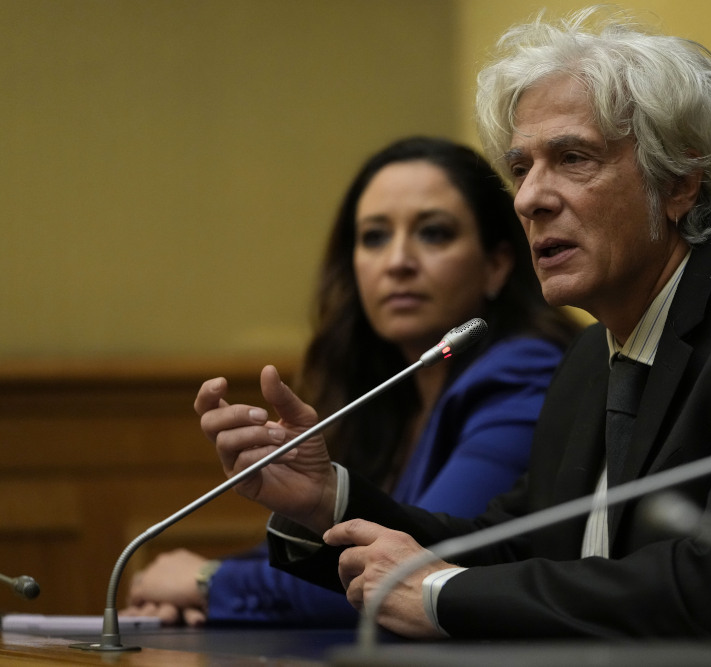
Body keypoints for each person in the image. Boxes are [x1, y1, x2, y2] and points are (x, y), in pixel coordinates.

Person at [201, 7, 711, 661]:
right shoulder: (592, 355)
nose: (530, 198)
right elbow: (519, 545)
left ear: (679, 181)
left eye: (573, 158)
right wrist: (324, 499)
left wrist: (441, 597)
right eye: (521, 167)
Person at [123, 136, 579, 627]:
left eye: (434, 233)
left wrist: (209, 583)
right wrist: (200, 585)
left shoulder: (522, 371)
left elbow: (407, 568)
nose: (398, 261)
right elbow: (335, 549)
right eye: (375, 237)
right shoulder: (391, 388)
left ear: (496, 265)